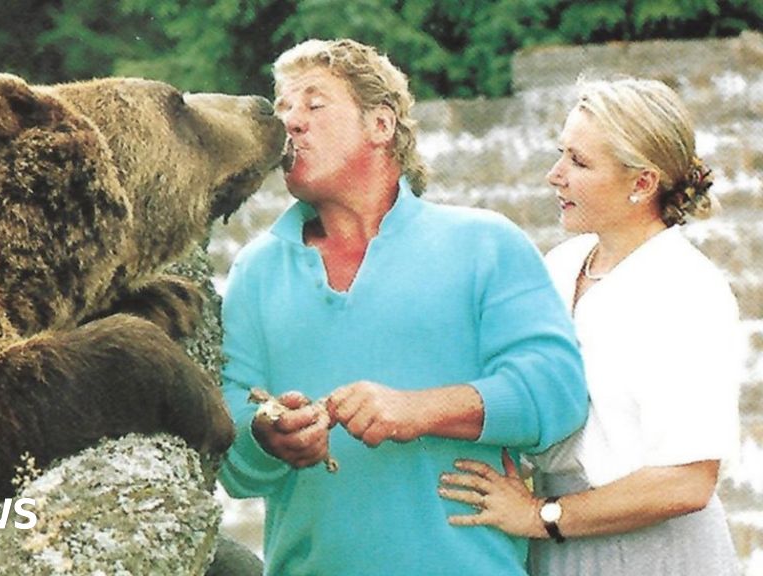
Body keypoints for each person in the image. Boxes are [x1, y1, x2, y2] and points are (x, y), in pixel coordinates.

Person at [217, 38, 589, 575]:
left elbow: (556, 392)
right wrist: (266, 434)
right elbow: (230, 449)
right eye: (283, 107)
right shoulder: (254, 270)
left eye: (314, 104)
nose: (290, 122)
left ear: (381, 126)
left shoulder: (486, 243)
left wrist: (417, 410)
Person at [438, 78, 744, 575]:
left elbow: (688, 481)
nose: (554, 176)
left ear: (642, 184)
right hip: (561, 543)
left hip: (654, 552)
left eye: (579, 163)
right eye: (562, 155)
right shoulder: (561, 265)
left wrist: (542, 515)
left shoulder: (688, 291)